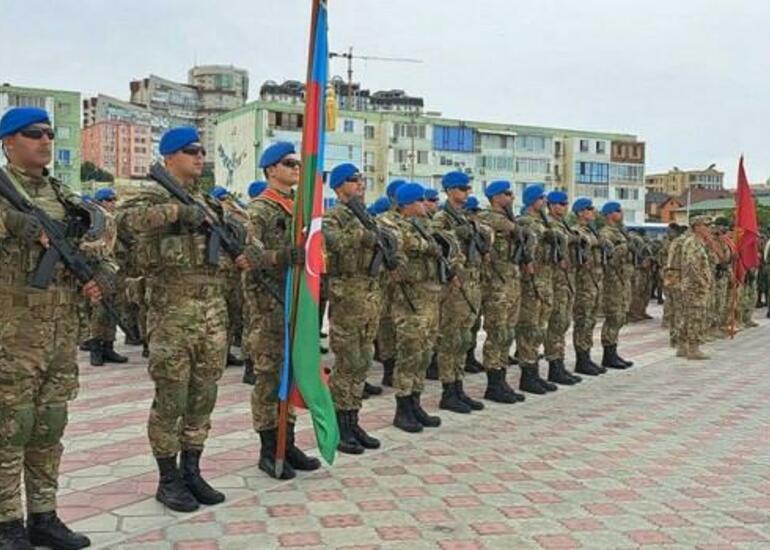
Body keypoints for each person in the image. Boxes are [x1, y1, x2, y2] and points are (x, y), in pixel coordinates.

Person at [118, 127, 262, 512]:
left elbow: (236, 243)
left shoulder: (210, 203)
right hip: (172, 313)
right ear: (169, 157)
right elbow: (126, 222)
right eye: (190, 151)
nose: (200, 157)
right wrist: (180, 212)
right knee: (171, 398)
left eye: (201, 151)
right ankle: (168, 478)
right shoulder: (153, 194)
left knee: (203, 396)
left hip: (212, 313)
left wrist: (242, 255)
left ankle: (192, 469)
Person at [0, 106, 112, 549]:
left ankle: (43, 515)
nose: (46, 141)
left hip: (61, 333)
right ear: (8, 142)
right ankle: (7, 522)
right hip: (12, 334)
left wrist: (102, 274)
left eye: (49, 133)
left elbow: (102, 241)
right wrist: (14, 223)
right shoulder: (6, 195)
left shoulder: (65, 196)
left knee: (49, 426)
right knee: (11, 427)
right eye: (33, 134)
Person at [241, 141, 321, 479]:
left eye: (297, 164)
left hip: (295, 303)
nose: (295, 169)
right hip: (269, 305)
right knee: (270, 378)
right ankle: (268, 447)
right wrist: (280, 257)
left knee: (291, 374)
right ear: (271, 169)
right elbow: (246, 254)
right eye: (289, 163)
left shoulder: (297, 208)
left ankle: (287, 443)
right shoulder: (259, 209)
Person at [322, 163, 384, 454]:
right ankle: (339, 426)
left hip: (369, 297)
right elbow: (332, 243)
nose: (360, 184)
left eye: (361, 179)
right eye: (352, 180)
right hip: (347, 298)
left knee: (362, 361)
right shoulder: (333, 217)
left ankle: (353, 418)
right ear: (337, 187)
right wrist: (363, 236)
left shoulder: (366, 215)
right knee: (346, 363)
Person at [387, 182, 443, 432]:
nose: (427, 204)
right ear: (407, 204)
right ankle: (403, 408)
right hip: (408, 299)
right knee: (409, 353)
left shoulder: (425, 224)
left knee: (424, 352)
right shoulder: (391, 222)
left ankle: (415, 402)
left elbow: (444, 244)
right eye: (421, 200)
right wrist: (430, 246)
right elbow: (406, 244)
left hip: (429, 296)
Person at [433, 171, 487, 413]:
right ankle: (448, 390)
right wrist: (456, 235)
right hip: (454, 287)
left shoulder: (466, 217)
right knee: (451, 340)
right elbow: (436, 242)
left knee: (464, 339)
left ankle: (458, 387)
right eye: (463, 189)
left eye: (468, 189)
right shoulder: (443, 217)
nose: (467, 193)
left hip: (471, 285)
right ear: (450, 190)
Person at [476, 180, 526, 403]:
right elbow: (516, 231)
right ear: (496, 197)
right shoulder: (488, 217)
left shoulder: (506, 219)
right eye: (507, 194)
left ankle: (501, 379)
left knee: (506, 334)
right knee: (496, 333)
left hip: (510, 283)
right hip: (496, 286)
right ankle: (493, 384)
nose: (511, 197)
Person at [515, 184, 558, 394]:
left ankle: (534, 373)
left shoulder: (543, 222)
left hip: (543, 282)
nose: (544, 202)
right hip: (531, 283)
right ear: (534, 201)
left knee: (539, 329)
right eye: (542, 198)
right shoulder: (526, 223)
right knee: (529, 330)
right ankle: (527, 376)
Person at [543, 191, 582, 385]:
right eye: (560, 204)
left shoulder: (563, 224)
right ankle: (554, 365)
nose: (564, 207)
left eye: (566, 204)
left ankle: (559, 364)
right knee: (556, 323)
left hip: (567, 280)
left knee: (563, 323)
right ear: (550, 206)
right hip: (556, 281)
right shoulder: (550, 224)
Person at [88, 187, 130, 367]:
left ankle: (108, 346)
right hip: (98, 269)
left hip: (114, 269)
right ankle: (95, 348)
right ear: (100, 201)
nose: (113, 203)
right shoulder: (95, 218)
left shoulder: (112, 218)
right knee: (100, 310)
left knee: (114, 308)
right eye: (109, 200)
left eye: (114, 199)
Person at [599, 202, 634, 369]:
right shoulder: (605, 233)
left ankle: (613, 351)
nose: (621, 213)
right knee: (613, 317)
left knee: (620, 317)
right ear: (609, 214)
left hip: (622, 280)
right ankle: (608, 354)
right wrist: (624, 248)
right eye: (618, 211)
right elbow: (609, 258)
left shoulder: (620, 232)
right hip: (612, 281)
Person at [678, 216, 716, 359]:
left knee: (688, 316)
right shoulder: (693, 243)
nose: (709, 228)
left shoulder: (698, 243)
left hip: (694, 286)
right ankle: (693, 348)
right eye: (706, 225)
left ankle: (682, 346)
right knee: (695, 317)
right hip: (694, 287)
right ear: (697, 227)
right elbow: (691, 265)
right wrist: (702, 282)